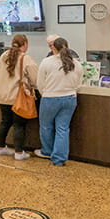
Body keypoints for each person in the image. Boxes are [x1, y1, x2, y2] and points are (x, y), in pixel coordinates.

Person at [36, 36, 83, 166]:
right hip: (70, 99)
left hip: (50, 98)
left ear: (53, 48)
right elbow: (79, 84)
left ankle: (47, 151)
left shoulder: (46, 62)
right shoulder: (76, 63)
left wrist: (45, 93)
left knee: (46, 126)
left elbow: (40, 83)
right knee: (63, 128)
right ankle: (59, 159)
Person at [0, 34, 38, 160]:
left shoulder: (3, 56)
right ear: (24, 44)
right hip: (18, 97)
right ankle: (19, 153)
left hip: (3, 96)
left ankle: (0, 147)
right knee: (19, 125)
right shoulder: (25, 58)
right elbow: (35, 78)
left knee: (4, 122)